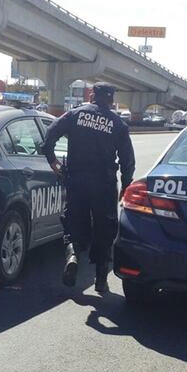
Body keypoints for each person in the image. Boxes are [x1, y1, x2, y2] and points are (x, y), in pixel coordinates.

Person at [42, 82, 135, 293]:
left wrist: (52, 160)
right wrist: (126, 183)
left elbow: (49, 136)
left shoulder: (74, 115)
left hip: (76, 180)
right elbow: (127, 159)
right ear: (111, 101)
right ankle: (101, 278)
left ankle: (73, 256)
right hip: (104, 183)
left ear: (92, 96)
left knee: (73, 221)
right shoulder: (118, 124)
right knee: (105, 228)